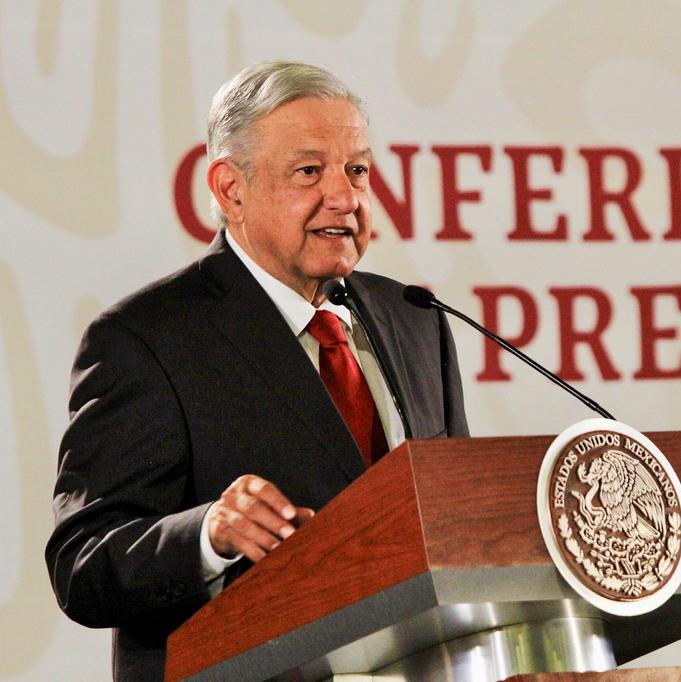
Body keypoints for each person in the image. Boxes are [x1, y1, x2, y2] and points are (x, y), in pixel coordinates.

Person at [45, 61, 469, 680]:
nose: (346, 197)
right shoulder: (147, 339)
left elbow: (455, 518)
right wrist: (207, 535)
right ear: (230, 190)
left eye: (357, 170)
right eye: (309, 171)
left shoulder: (415, 321)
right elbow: (82, 563)